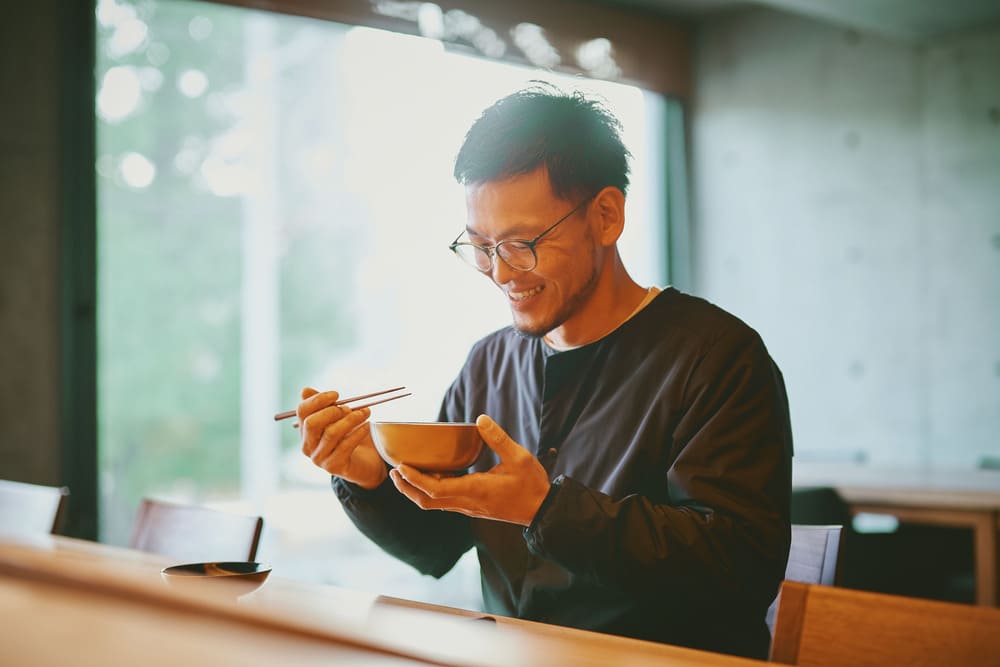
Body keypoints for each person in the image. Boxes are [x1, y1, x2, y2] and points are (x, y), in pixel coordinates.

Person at [297, 84, 793, 660]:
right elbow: (436, 544)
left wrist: (544, 509)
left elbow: (736, 569)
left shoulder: (716, 357)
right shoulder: (490, 363)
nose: (500, 272)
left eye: (521, 243)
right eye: (480, 246)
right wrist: (370, 480)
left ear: (606, 216)